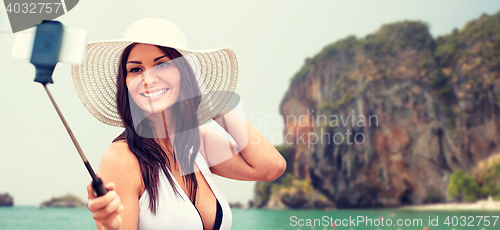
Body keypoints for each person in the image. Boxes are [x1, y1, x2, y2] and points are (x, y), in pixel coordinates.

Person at [71, 18, 286, 230]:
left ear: (184, 74)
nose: (148, 79)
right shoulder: (121, 158)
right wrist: (109, 225)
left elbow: (270, 168)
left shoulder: (196, 141)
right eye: (136, 69)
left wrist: (214, 105)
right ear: (126, 83)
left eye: (162, 64)